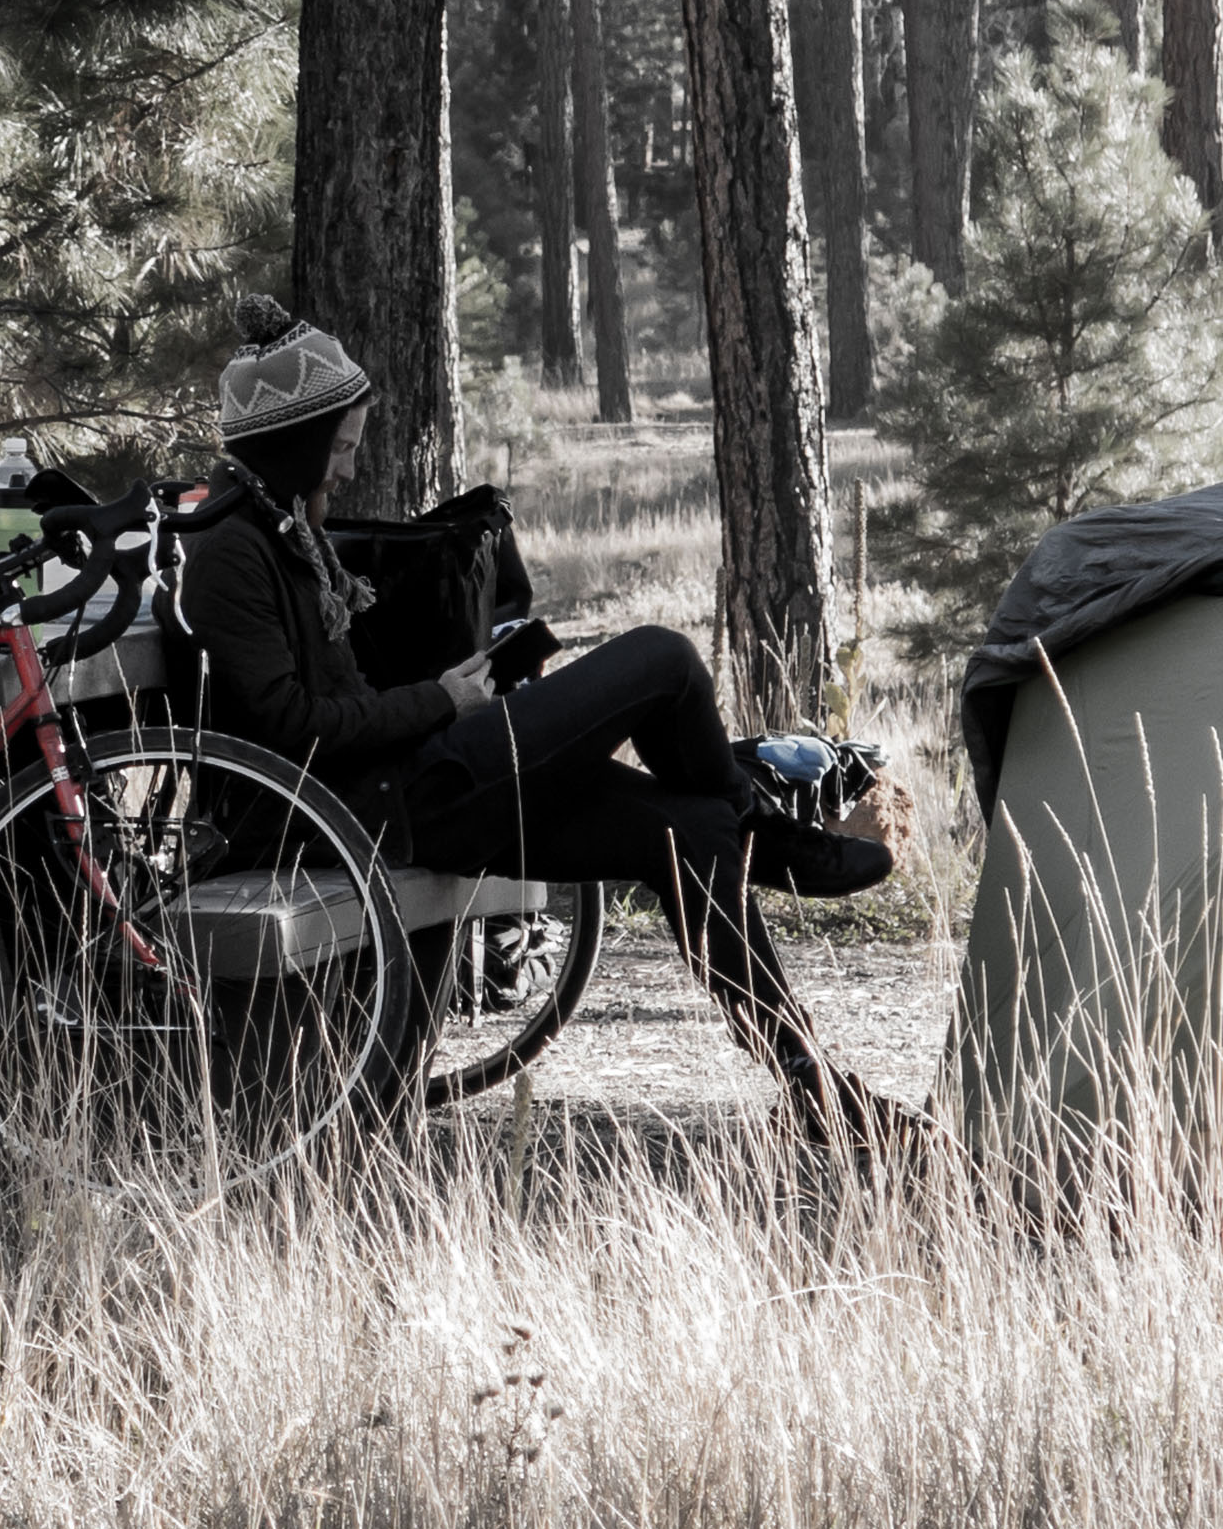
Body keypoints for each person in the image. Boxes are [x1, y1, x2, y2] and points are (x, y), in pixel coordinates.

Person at [174, 295, 923, 1145]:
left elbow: (334, 691)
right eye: (339, 449)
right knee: (664, 659)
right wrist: (443, 700)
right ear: (294, 443)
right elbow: (292, 726)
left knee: (694, 832)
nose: (346, 470)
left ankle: (810, 1083)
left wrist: (471, 675)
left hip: (413, 777)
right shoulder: (234, 552)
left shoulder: (285, 532)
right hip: (385, 806)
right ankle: (773, 837)